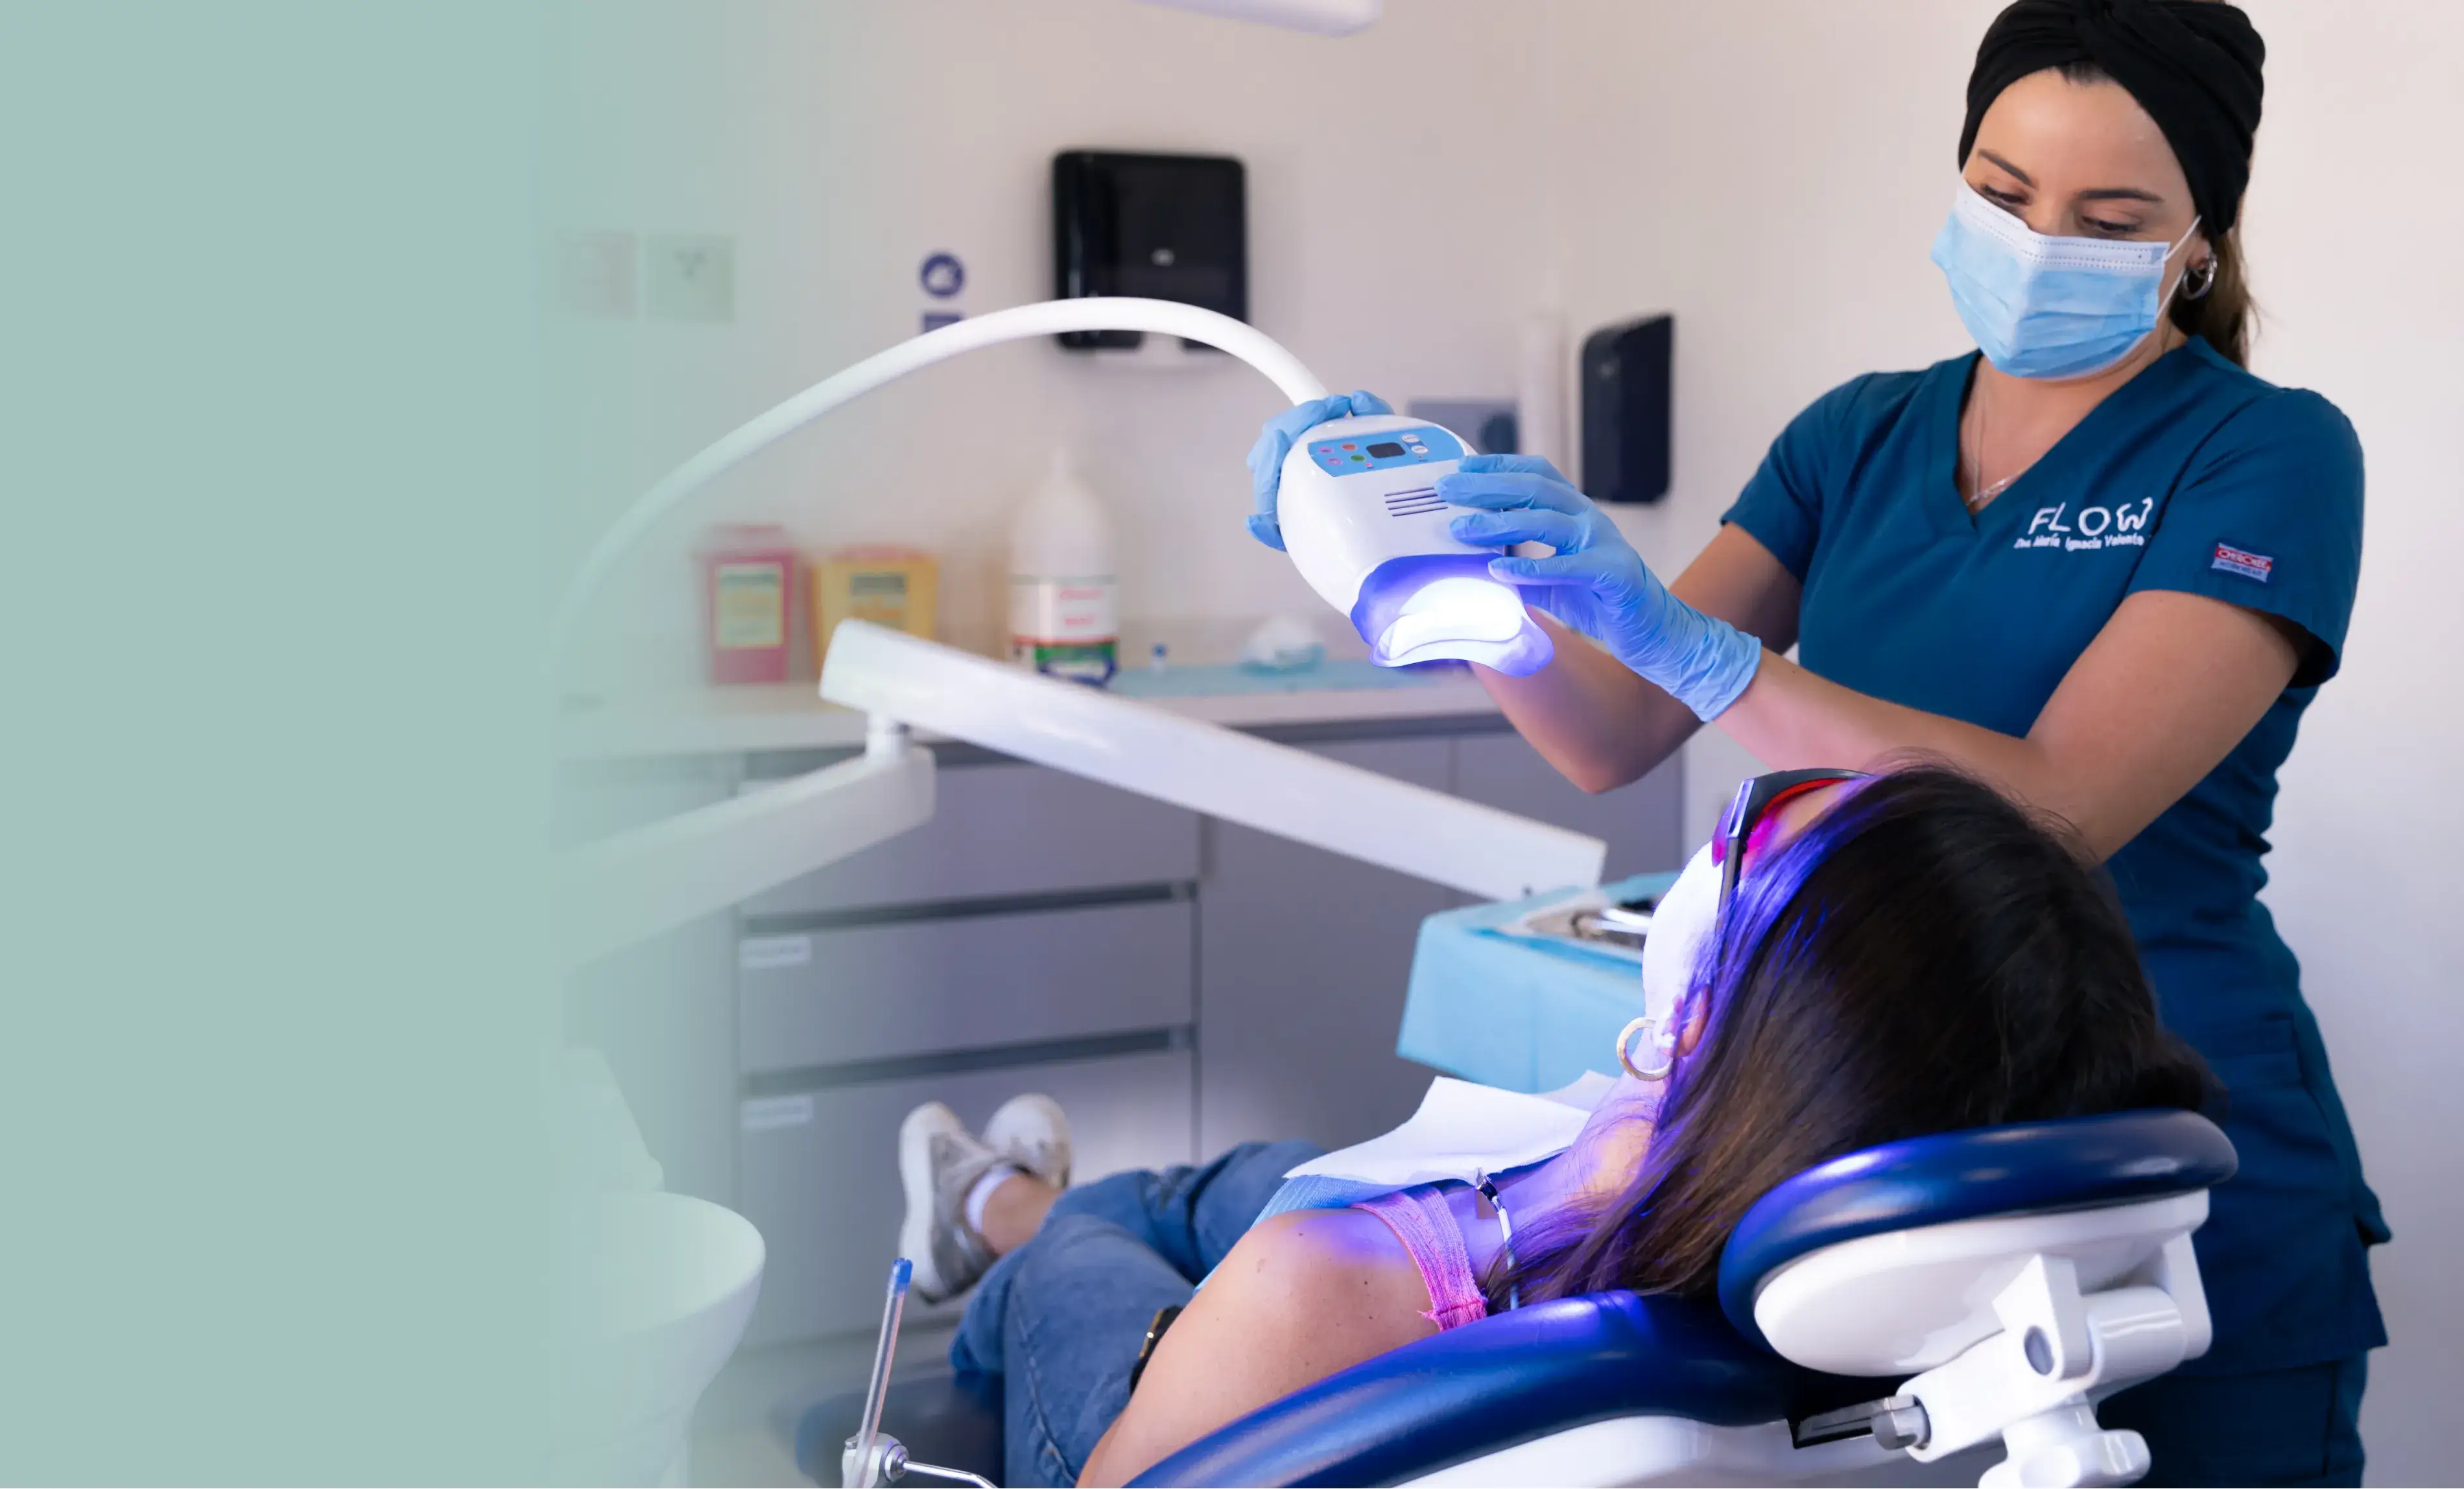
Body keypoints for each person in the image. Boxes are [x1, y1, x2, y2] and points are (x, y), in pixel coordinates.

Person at [1244, 3, 2381, 1482]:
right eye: (2003, 194)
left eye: (2109, 222)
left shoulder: (2267, 452)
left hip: (2163, 1155)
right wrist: (1427, 564)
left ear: (2199, 241)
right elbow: (1611, 730)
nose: (2042, 245)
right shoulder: (1859, 437)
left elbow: (2060, 807)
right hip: (1878, 1144)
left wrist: (1698, 649)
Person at [899, 766, 2212, 1487]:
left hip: (1278, 1341)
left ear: (1750, 1035)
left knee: (1097, 1236)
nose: (1723, 844)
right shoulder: (1866, 1208)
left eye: (1752, 846)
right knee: (1222, 1184)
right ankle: (1031, 1196)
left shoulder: (1313, 1284)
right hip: (1495, 1230)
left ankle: (995, 1209)